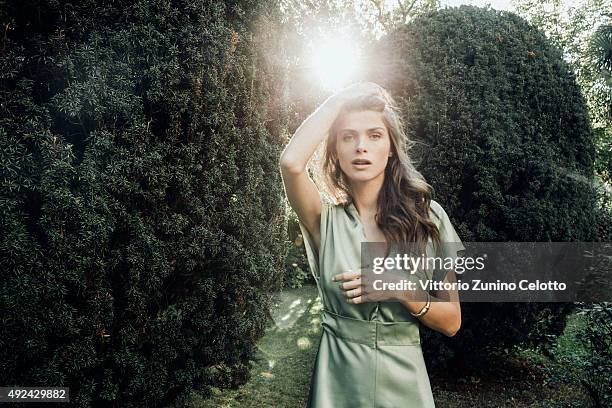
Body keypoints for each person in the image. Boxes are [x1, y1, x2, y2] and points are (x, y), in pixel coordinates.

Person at [279, 82, 466, 407]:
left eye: (374, 135)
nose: (360, 146)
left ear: (391, 147)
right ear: (336, 150)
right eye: (348, 137)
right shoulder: (324, 221)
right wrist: (341, 98)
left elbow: (451, 321)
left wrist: (400, 288)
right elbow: (291, 164)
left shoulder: (430, 219)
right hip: (337, 383)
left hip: (405, 385)